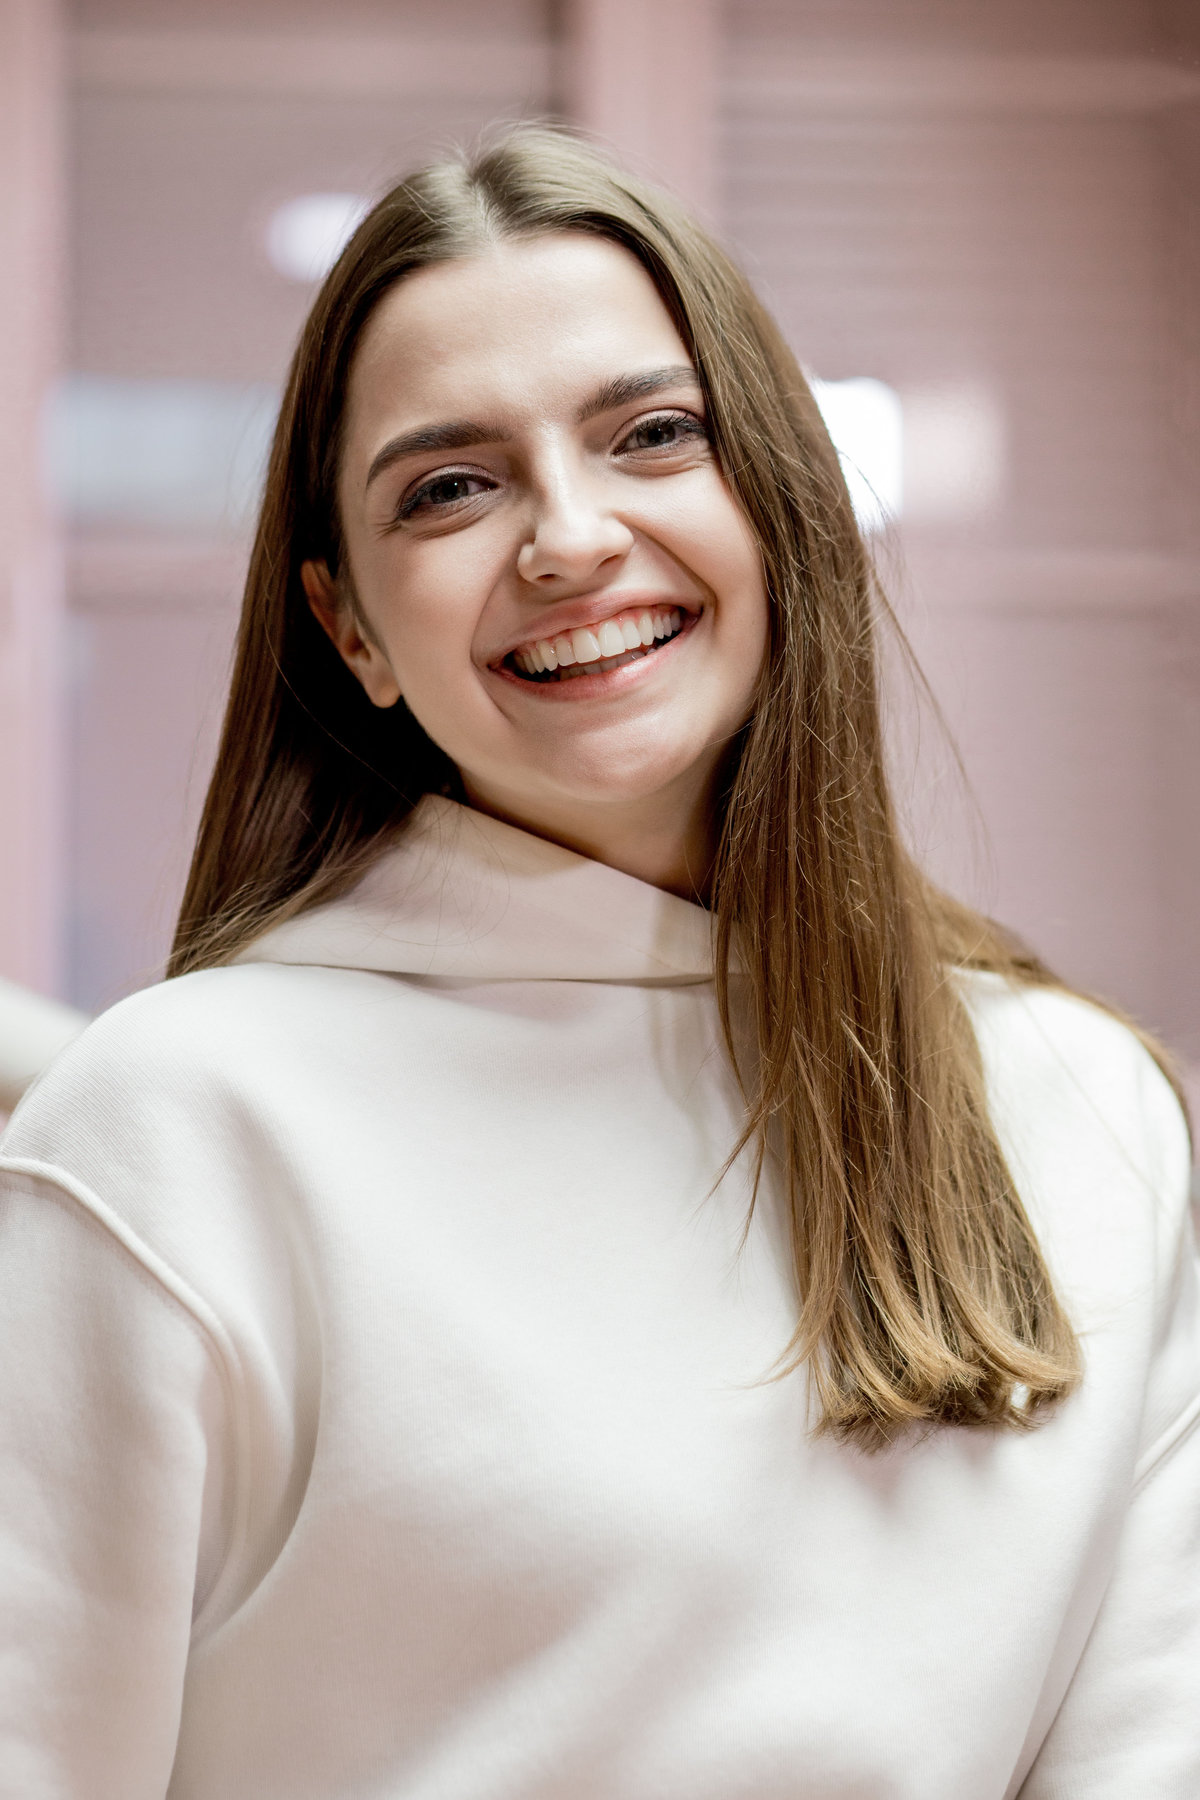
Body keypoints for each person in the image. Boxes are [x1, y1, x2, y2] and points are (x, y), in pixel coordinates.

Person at [0, 126, 1196, 1799]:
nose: (568, 538)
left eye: (652, 436)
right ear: (353, 632)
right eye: (451, 485)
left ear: (779, 503)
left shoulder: (1084, 1112)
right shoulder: (173, 1128)